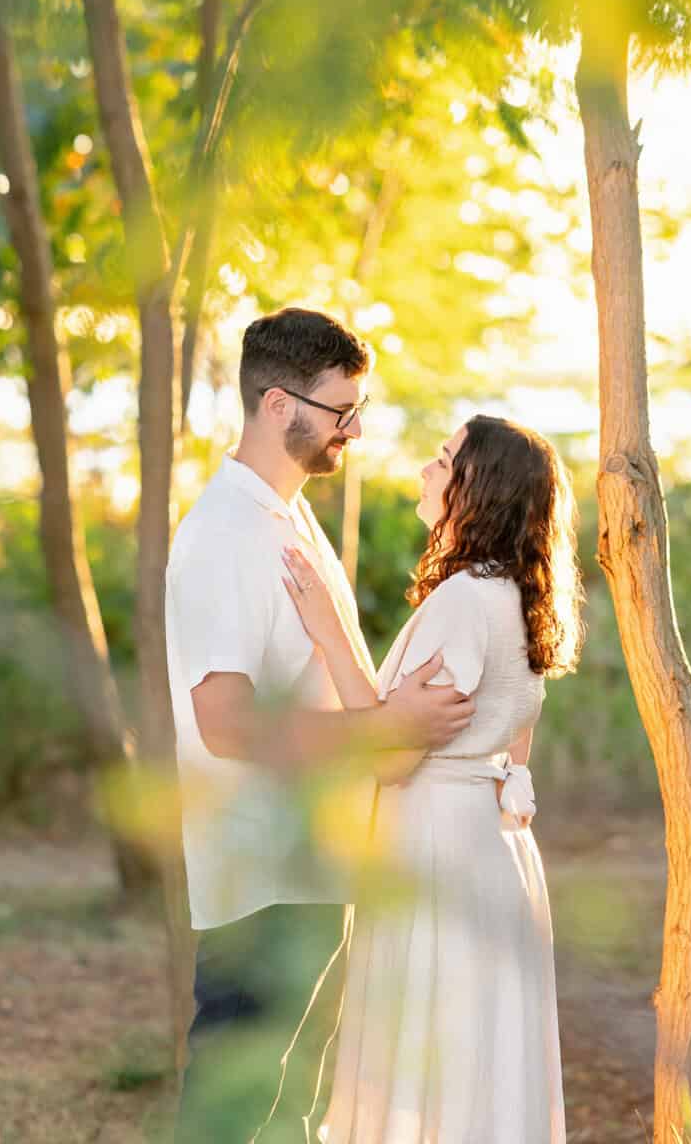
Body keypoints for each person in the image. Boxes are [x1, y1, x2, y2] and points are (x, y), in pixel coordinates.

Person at [166, 307, 475, 1143]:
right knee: (233, 1121)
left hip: (314, 865)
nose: (358, 429)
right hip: (261, 876)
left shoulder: (288, 518)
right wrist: (387, 727)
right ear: (277, 405)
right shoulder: (224, 536)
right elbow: (227, 724)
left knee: (293, 1118)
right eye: (342, 411)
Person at [281, 414, 583, 1144]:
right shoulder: (519, 599)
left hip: (438, 848)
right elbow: (517, 744)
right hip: (494, 848)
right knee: (479, 1052)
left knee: (430, 1047)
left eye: (442, 459)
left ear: (478, 487)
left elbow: (389, 752)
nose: (425, 469)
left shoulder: (463, 600)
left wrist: (327, 629)